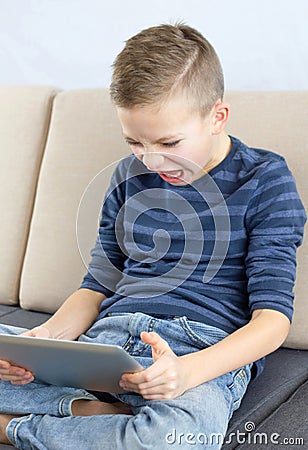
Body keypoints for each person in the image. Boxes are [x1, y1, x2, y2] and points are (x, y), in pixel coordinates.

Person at [0, 23, 306, 450]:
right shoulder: (129, 177)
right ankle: (90, 412)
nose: (151, 158)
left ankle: (16, 426)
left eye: (169, 141)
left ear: (218, 116)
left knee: (172, 438)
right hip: (106, 342)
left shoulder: (265, 180)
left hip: (197, 351)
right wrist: (43, 342)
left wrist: (189, 372)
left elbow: (272, 322)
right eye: (134, 142)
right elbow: (97, 286)